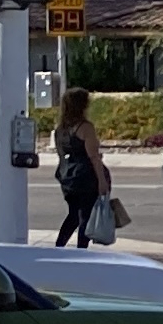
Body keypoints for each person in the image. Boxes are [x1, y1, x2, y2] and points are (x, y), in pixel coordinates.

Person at [52, 91, 116, 246]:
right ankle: (82, 250)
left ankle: (59, 245)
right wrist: (102, 181)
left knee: (73, 214)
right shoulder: (85, 128)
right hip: (86, 176)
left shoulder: (60, 129)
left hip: (67, 176)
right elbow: (93, 156)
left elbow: (62, 153)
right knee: (85, 216)